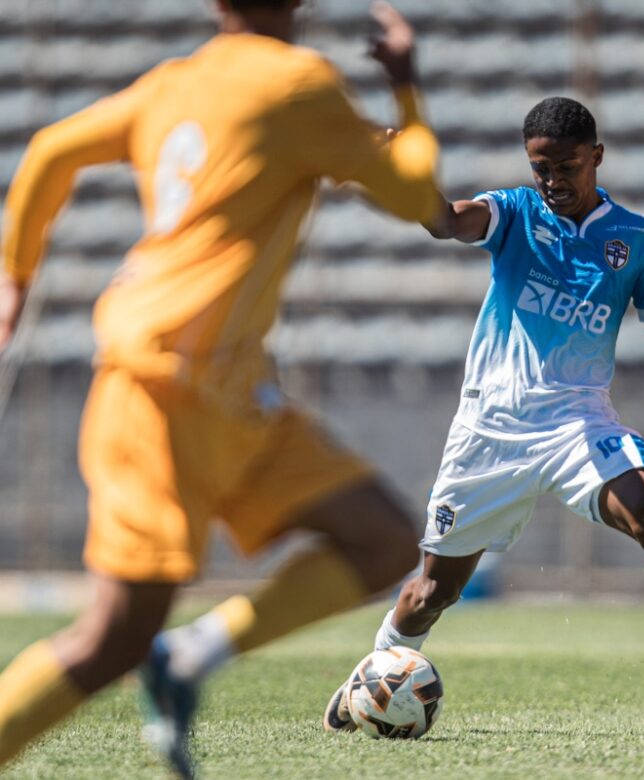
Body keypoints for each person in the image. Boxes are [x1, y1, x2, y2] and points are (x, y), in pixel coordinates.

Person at [0, 2, 439, 776]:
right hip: (160, 384)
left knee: (380, 541)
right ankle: (155, 658)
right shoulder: (300, 85)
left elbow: (48, 151)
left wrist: (15, 276)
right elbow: (413, 196)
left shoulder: (175, 83)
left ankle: (187, 656)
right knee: (110, 638)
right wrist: (405, 91)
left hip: (233, 392)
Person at [322, 96, 644, 732]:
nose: (553, 181)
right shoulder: (515, 212)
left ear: (597, 157)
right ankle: (365, 683)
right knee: (433, 592)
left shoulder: (635, 240)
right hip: (490, 432)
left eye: (565, 166)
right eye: (542, 169)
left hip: (578, 424)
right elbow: (446, 221)